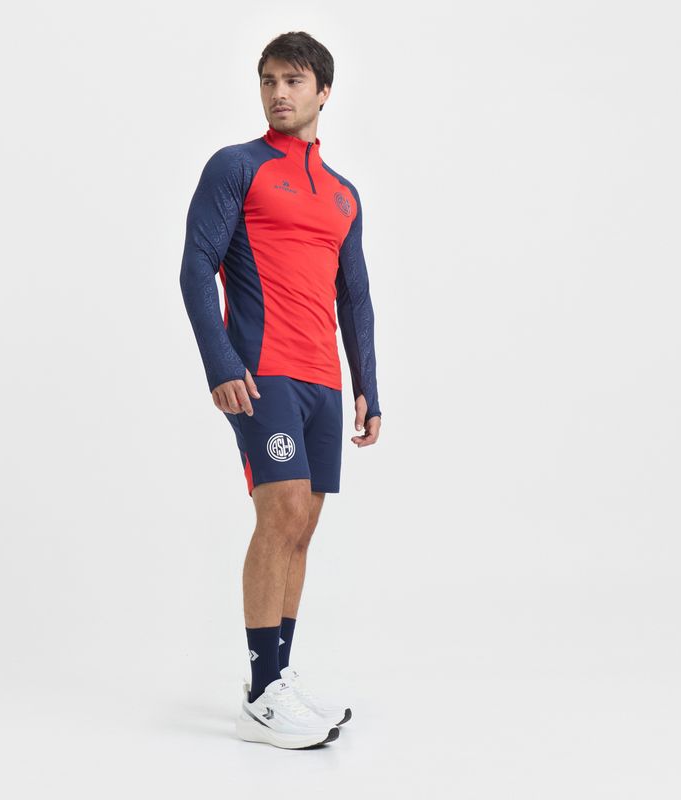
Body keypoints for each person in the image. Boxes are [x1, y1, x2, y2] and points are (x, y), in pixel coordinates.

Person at [179, 31, 382, 749]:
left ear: (324, 91)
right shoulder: (237, 166)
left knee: (304, 525)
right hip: (262, 372)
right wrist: (220, 362)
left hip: (323, 379)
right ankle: (262, 694)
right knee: (282, 511)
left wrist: (368, 386)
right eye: (268, 80)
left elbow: (354, 297)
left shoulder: (344, 194)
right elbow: (195, 264)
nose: (278, 93)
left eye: (293, 81)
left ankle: (278, 680)